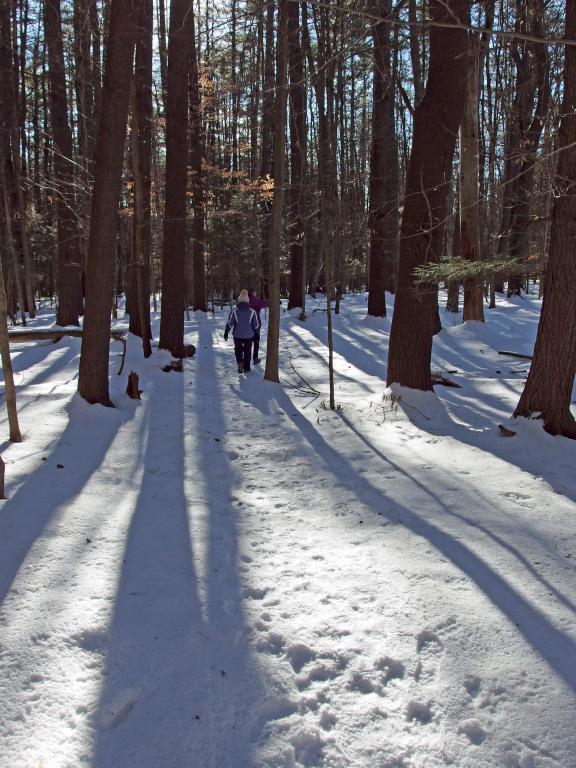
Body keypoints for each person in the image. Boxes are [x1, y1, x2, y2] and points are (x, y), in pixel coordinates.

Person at [224, 289, 260, 373]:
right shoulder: (252, 312)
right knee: (248, 351)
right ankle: (247, 368)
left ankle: (240, 363)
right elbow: (256, 325)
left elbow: (230, 323)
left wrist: (226, 332)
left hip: (237, 335)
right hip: (249, 335)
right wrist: (257, 333)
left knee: (238, 350)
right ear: (247, 301)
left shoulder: (234, 312)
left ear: (239, 301)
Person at [249, 288, 270, 364]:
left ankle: (247, 359)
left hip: (247, 324)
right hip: (256, 324)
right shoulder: (256, 300)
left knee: (248, 342)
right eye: (255, 291)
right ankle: (255, 358)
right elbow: (264, 303)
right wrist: (272, 301)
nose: (256, 292)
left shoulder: (246, 300)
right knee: (256, 342)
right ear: (253, 293)